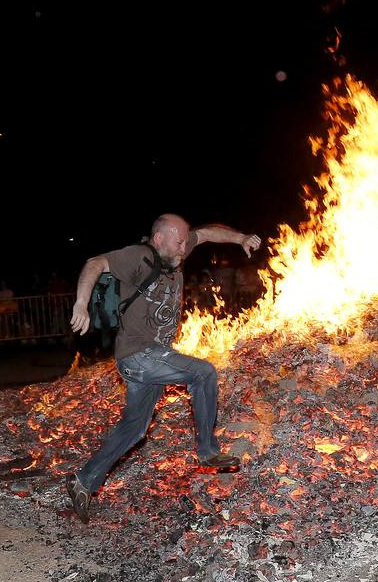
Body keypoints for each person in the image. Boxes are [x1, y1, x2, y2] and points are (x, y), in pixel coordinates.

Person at [66, 213, 262, 523]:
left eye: (186, 242)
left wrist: (240, 239)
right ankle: (208, 450)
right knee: (203, 372)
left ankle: (83, 481)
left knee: (134, 430)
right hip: (139, 355)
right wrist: (81, 303)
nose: (185, 248)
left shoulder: (177, 251)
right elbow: (95, 263)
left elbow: (208, 232)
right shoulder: (139, 256)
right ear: (159, 239)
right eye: (179, 242)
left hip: (151, 362)